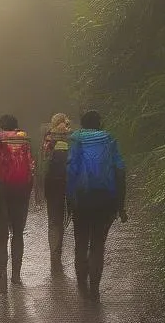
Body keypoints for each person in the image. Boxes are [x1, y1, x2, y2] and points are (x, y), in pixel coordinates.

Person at [66, 110, 127, 302]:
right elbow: (120, 170)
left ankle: (82, 284)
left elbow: (71, 170)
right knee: (98, 244)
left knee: (81, 242)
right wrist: (120, 204)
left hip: (81, 198)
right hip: (104, 198)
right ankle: (95, 289)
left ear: (82, 125)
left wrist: (70, 199)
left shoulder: (75, 140)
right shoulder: (109, 140)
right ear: (100, 123)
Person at [0, 114, 36, 291]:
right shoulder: (24, 140)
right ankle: (16, 276)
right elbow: (31, 166)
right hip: (21, 191)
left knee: (0, 236)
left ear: (2, 126)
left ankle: (1, 279)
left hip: (1, 191)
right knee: (17, 234)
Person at [37, 112, 72, 276]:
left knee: (53, 218)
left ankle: (54, 251)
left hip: (52, 182)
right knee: (65, 214)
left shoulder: (48, 138)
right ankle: (59, 248)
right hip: (69, 181)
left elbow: (43, 161)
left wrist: (40, 187)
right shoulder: (72, 137)